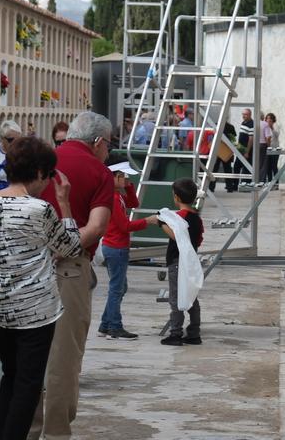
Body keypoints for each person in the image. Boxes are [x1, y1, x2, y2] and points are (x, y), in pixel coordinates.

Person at [0, 137, 83, 440]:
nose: (49, 182)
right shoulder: (40, 209)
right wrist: (64, 203)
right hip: (35, 311)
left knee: (10, 377)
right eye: (49, 176)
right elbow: (72, 246)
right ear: (38, 172)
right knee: (28, 384)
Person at [29, 111, 114, 439]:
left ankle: (27, 429)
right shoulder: (99, 172)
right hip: (69, 271)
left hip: (28, 266)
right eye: (108, 145)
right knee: (63, 360)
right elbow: (96, 228)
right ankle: (55, 434)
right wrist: (63, 245)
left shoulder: (42, 162)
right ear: (97, 142)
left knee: (29, 356)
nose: (108, 152)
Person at [96, 156, 150, 340]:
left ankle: (105, 324)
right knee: (117, 288)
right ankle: (114, 327)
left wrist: (127, 186)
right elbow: (125, 226)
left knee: (119, 287)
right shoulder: (112, 198)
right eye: (124, 177)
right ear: (115, 176)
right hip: (116, 247)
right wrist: (147, 221)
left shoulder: (118, 195)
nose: (127, 180)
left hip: (116, 247)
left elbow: (134, 204)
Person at [158, 178, 204, 346]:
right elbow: (198, 240)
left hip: (177, 262)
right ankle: (194, 332)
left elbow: (177, 236)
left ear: (176, 197)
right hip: (190, 262)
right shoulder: (196, 218)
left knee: (176, 298)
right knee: (191, 296)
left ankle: (176, 333)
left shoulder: (179, 218)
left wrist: (161, 223)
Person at [210, 122, 237, 193]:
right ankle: (229, 187)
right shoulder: (230, 126)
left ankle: (211, 187)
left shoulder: (215, 125)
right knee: (227, 169)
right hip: (226, 150)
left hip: (217, 149)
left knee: (214, 169)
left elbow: (212, 135)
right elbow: (233, 139)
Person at [235, 109, 254, 187]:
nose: (243, 116)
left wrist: (247, 151)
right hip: (240, 149)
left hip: (246, 150)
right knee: (236, 166)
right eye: (243, 114)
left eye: (245, 114)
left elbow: (251, 139)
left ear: (250, 115)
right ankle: (235, 185)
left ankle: (246, 184)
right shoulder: (243, 122)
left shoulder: (251, 124)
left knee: (246, 167)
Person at [265, 113, 281, 189]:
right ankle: (270, 183)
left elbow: (277, 134)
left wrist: (271, 127)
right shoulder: (265, 126)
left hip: (275, 149)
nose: (268, 121)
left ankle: (276, 183)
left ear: (273, 120)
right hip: (268, 149)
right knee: (268, 166)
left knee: (274, 166)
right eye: (267, 119)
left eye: (270, 120)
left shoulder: (276, 126)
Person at [258, 112, 272, 184]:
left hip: (255, 145)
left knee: (256, 163)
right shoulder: (265, 124)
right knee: (263, 164)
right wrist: (269, 146)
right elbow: (268, 137)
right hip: (263, 145)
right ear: (263, 117)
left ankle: (255, 179)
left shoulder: (254, 123)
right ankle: (261, 181)